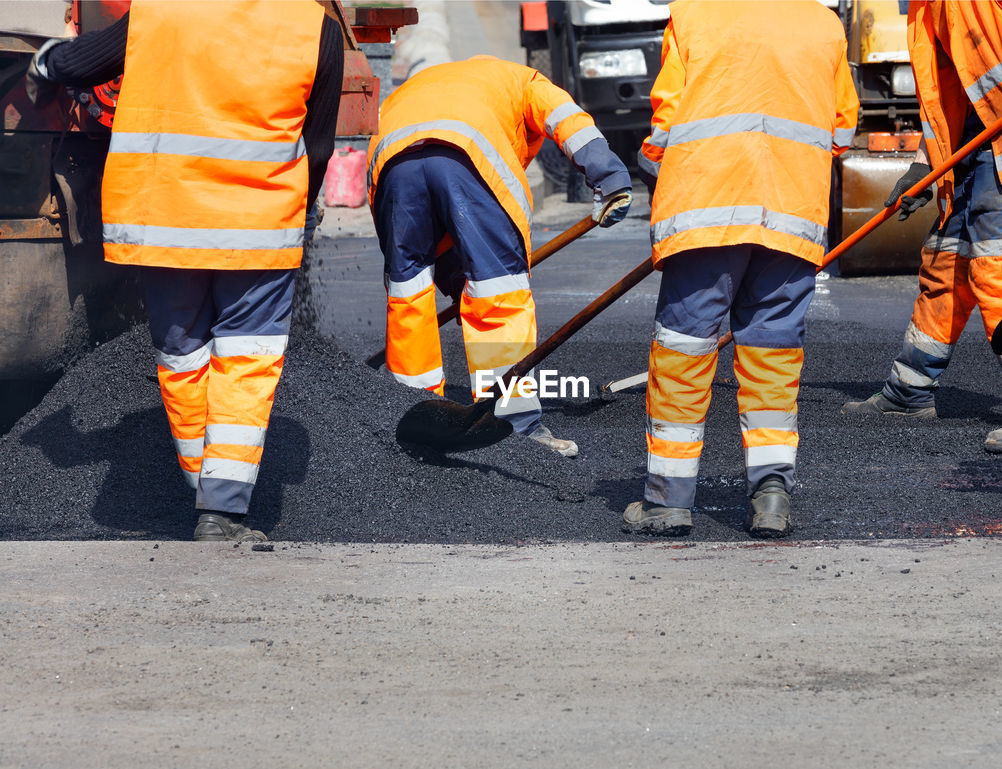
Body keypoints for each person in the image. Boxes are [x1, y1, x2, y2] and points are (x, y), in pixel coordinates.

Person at [27, 0, 342, 542]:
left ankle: (203, 488)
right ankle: (221, 510)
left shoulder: (161, 11)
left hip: (164, 220)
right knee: (247, 357)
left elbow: (81, 65)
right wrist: (301, 211)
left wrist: (43, 64)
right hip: (258, 229)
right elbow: (317, 145)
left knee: (182, 351)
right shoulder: (317, 28)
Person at [624, 0, 860, 538]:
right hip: (791, 214)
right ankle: (772, 497)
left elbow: (666, 120)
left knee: (685, 348)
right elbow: (842, 130)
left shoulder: (693, 15)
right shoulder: (824, 22)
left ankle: (668, 501)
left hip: (707, 211)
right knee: (773, 354)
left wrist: (654, 166)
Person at [367, 56, 632, 458]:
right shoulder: (525, 80)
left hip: (393, 163)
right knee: (498, 288)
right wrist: (610, 178)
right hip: (469, 151)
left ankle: (407, 407)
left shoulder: (429, 83)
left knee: (408, 289)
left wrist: (459, 281)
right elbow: (570, 121)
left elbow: (433, 232)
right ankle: (514, 421)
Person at [840, 0, 1002, 455]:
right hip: (970, 147)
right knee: (945, 261)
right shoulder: (924, 9)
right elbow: (950, 97)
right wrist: (924, 166)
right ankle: (910, 389)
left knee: (995, 267)